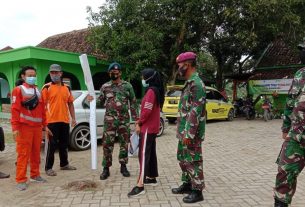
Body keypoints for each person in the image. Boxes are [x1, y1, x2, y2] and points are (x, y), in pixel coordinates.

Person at [89, 62, 138, 180]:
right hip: (109, 121)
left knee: (124, 144)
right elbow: (100, 102)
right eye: (112, 73)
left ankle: (123, 166)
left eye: (116, 73)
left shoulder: (128, 86)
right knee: (107, 145)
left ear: (120, 73)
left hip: (124, 120)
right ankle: (106, 169)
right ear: (109, 73)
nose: (114, 74)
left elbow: (133, 103)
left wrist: (137, 120)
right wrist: (91, 100)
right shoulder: (105, 87)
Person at [171, 52, 206, 203]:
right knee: (183, 158)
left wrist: (189, 134)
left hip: (191, 132)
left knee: (193, 160)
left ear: (188, 65)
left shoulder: (197, 84)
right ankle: (187, 183)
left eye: (180, 65)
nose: (179, 68)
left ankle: (197, 191)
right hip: (184, 130)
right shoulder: (189, 83)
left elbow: (195, 111)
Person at [128, 68, 165, 197]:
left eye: (143, 77)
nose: (142, 79)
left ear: (149, 78)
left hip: (148, 128)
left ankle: (140, 184)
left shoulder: (150, 91)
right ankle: (152, 177)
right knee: (151, 152)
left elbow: (147, 111)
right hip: (153, 127)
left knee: (143, 155)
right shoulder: (156, 90)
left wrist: (139, 122)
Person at [11, 66, 48, 190]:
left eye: (34, 75)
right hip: (24, 127)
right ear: (23, 76)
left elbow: (42, 110)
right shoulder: (18, 90)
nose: (32, 77)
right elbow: (15, 110)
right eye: (30, 75)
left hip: (37, 128)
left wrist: (45, 125)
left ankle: (35, 174)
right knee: (23, 154)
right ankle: (21, 179)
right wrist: (15, 128)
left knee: (36, 153)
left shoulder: (38, 91)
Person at [273, 67, 305, 207]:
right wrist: (286, 126)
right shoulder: (300, 73)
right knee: (284, 173)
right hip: (296, 134)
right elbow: (290, 100)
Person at [42, 64, 77, 176]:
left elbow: (70, 103)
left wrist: (73, 118)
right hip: (51, 122)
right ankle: (48, 168)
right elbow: (41, 107)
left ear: (61, 73)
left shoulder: (67, 88)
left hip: (65, 121)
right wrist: (44, 125)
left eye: (56, 72)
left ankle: (64, 164)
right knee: (51, 146)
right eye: (52, 72)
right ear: (50, 74)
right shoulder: (46, 87)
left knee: (64, 144)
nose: (54, 74)